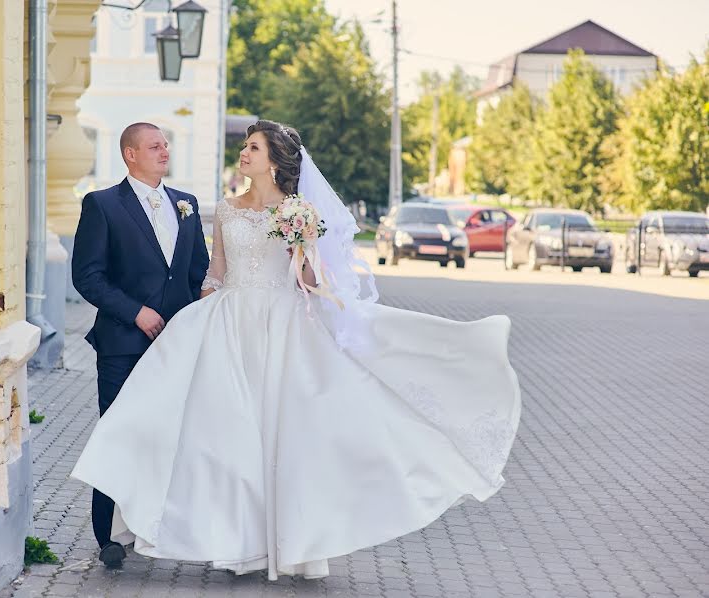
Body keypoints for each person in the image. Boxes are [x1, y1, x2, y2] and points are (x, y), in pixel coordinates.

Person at [72, 119, 521, 580]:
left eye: (252, 148)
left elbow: (308, 283)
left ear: (273, 160)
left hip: (281, 329)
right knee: (223, 436)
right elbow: (214, 273)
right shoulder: (223, 210)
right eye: (244, 147)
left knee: (280, 435)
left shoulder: (296, 211)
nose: (243, 154)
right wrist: (197, 320)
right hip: (228, 324)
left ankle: (286, 542)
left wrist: (302, 250)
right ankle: (219, 542)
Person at [70, 122, 210, 568]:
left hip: (177, 347)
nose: (164, 150)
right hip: (123, 345)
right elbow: (87, 276)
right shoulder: (103, 205)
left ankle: (166, 528)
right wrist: (135, 312)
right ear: (130, 154)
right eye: (154, 145)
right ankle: (107, 536)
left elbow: (197, 274)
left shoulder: (185, 205)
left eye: (165, 144)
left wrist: (193, 321)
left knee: (175, 438)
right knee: (118, 434)